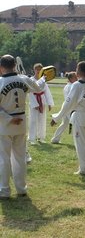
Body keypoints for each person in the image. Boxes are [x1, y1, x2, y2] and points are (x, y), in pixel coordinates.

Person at [0, 54, 46, 199]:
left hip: (4, 125)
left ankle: (4, 190)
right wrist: (43, 77)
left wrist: (8, 119)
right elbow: (38, 88)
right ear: (14, 65)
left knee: (3, 158)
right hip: (21, 122)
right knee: (20, 157)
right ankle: (21, 188)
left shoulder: (0, 82)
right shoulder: (24, 79)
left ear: (1, 67)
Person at [51, 61, 85, 175]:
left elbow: (67, 104)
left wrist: (56, 118)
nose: (76, 70)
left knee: (80, 143)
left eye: (77, 68)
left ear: (80, 71)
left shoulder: (77, 85)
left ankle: (84, 168)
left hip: (80, 115)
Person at [28, 63, 54, 144]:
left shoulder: (43, 80)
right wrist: (35, 104)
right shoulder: (31, 80)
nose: (38, 71)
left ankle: (41, 137)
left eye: (40, 70)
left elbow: (47, 92)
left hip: (42, 100)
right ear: (34, 70)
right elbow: (30, 93)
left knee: (42, 119)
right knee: (33, 120)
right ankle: (32, 138)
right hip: (34, 100)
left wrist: (49, 103)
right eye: (37, 69)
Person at [51, 72, 77, 144]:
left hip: (67, 106)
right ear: (71, 79)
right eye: (75, 77)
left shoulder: (67, 86)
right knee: (75, 125)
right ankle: (77, 142)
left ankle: (55, 139)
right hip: (70, 108)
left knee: (64, 124)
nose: (77, 78)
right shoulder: (72, 86)